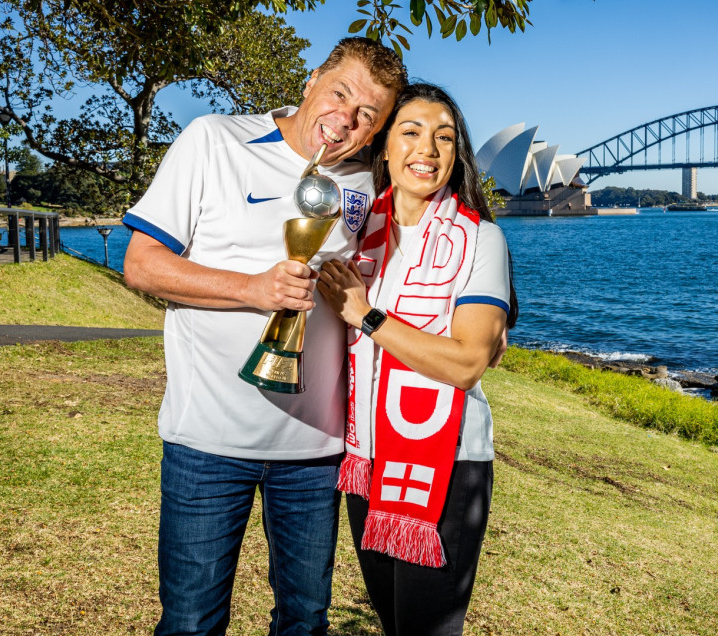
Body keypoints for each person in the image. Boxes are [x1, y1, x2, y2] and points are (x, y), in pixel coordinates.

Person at [121, 38, 406, 635]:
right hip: (206, 440)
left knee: (304, 622)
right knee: (192, 622)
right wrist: (252, 289)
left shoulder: (372, 179)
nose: (346, 119)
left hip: (314, 452)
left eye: (367, 116)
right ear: (310, 82)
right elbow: (142, 265)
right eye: (340, 94)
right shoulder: (213, 139)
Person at [317, 83, 518, 636]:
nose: (426, 148)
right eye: (410, 132)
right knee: (391, 622)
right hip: (364, 459)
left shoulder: (481, 239)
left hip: (447, 463)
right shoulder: (352, 232)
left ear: (457, 156)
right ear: (383, 147)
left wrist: (368, 316)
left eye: (444, 137)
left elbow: (466, 363)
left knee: (426, 630)